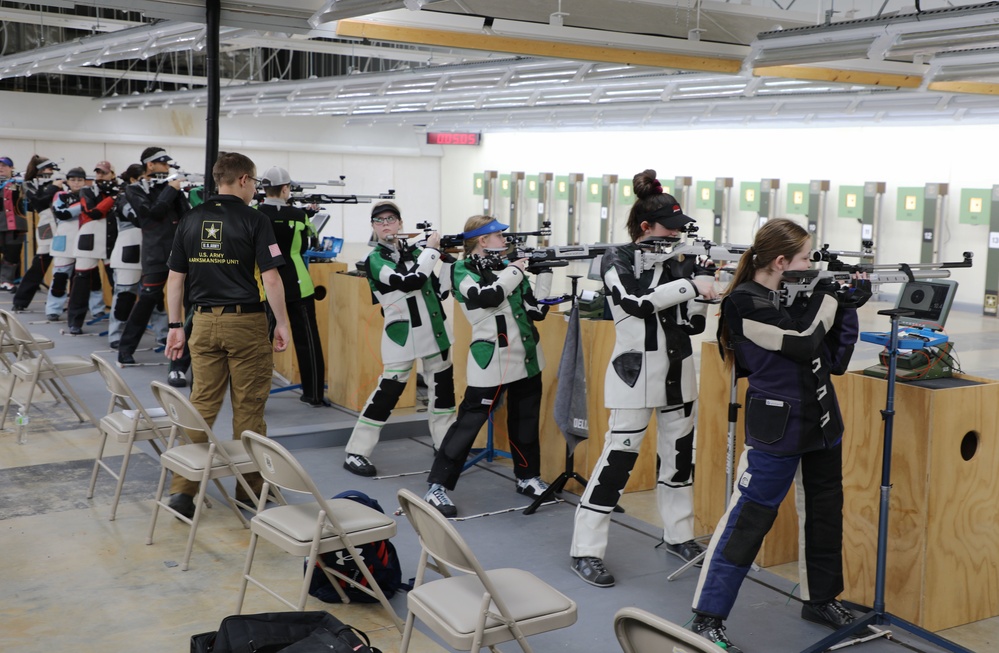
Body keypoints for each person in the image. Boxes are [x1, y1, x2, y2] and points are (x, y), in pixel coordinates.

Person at [689, 218, 870, 652]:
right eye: (806, 258)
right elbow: (803, 340)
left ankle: (821, 599)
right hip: (778, 427)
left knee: (825, 514)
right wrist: (828, 298)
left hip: (822, 421)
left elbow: (833, 360)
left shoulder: (790, 296)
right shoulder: (743, 303)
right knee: (749, 520)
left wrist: (846, 307)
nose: (813, 266)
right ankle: (707, 616)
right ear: (781, 261)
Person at [569, 170, 718, 589]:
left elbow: (690, 326)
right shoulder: (617, 256)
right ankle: (586, 549)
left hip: (679, 372)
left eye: (678, 229)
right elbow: (634, 304)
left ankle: (680, 534)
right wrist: (690, 284)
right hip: (635, 373)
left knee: (678, 459)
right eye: (668, 229)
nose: (675, 235)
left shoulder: (682, 258)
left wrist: (703, 295)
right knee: (617, 462)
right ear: (645, 227)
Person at [163, 151, 290, 519]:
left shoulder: (190, 218)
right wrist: (281, 322)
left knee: (202, 405)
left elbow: (176, 279)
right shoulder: (256, 220)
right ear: (245, 180)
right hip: (246, 323)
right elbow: (270, 277)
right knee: (249, 409)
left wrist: (175, 326)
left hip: (201, 323)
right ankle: (250, 492)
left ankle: (182, 491)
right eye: (254, 184)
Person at [423, 215, 550, 517]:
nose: (505, 241)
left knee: (525, 421)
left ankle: (527, 476)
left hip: (528, 356)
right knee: (468, 424)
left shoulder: (506, 269)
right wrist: (516, 270)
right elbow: (487, 297)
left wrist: (542, 273)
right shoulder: (460, 270)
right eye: (500, 236)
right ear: (482, 240)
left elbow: (536, 310)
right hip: (491, 359)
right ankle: (437, 487)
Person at [343, 200, 456, 477]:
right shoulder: (374, 260)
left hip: (435, 332)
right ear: (373, 227)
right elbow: (409, 281)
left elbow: (440, 291)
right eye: (379, 220)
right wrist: (431, 251)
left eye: (390, 219)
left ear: (400, 223)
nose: (385, 225)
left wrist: (450, 262)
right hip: (402, 336)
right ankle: (356, 451)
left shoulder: (418, 251)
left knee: (443, 395)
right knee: (387, 394)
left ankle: (445, 446)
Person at [256, 166, 330, 407]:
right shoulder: (301, 217)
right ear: (286, 189)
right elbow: (310, 243)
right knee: (308, 341)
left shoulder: (254, 213)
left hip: (265, 284)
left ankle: (255, 397)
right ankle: (315, 395)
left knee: (260, 344)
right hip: (299, 284)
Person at [118, 147, 189, 365]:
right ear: (151, 165)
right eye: (163, 163)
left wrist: (176, 191)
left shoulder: (168, 187)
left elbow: (185, 214)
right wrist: (171, 189)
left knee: (189, 302)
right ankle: (125, 349)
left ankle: (184, 357)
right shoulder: (134, 189)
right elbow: (151, 214)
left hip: (179, 252)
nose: (167, 167)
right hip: (156, 253)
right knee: (147, 300)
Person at [108, 163, 168, 350]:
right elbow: (142, 218)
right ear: (134, 179)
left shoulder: (154, 195)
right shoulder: (124, 197)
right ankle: (116, 334)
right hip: (129, 250)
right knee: (125, 296)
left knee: (155, 297)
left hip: (152, 251)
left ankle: (163, 334)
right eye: (147, 176)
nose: (151, 181)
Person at [65, 160, 116, 334]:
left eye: (104, 173)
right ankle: (74, 321)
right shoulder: (87, 190)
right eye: (98, 173)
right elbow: (93, 212)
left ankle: (120, 320)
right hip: (89, 239)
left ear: (112, 174)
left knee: (117, 283)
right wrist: (112, 198)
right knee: (81, 282)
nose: (100, 176)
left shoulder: (120, 190)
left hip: (111, 240)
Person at [12, 156, 60, 311]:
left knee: (64, 265)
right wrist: (53, 187)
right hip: (46, 224)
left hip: (63, 224)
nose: (51, 172)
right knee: (40, 262)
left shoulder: (55, 183)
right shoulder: (29, 184)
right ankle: (20, 300)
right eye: (48, 169)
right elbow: (39, 202)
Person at [46, 166, 89, 322]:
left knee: (88, 278)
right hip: (64, 241)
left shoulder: (89, 195)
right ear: (67, 181)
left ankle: (96, 308)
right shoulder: (60, 195)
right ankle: (53, 309)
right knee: (60, 277)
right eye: (73, 180)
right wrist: (85, 205)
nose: (76, 183)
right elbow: (62, 213)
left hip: (85, 241)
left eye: (80, 180)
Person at [0, 155, 27, 292]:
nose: (1, 168)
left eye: (4, 165)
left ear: (11, 168)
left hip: (16, 223)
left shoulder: (19, 182)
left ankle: (7, 280)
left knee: (12, 253)